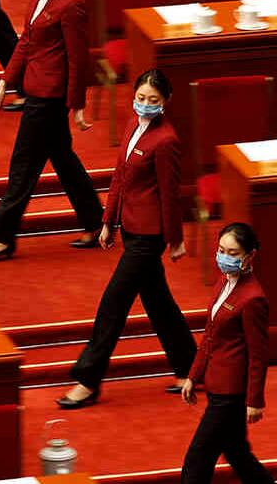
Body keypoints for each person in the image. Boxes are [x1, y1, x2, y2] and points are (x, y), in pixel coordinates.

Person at [57, 69, 196, 408]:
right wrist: (108, 221)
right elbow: (120, 175)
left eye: (153, 100)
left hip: (149, 235)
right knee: (158, 301)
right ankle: (191, 367)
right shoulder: (134, 124)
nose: (145, 104)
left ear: (165, 102)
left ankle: (88, 379)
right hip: (131, 227)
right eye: (141, 97)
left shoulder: (166, 140)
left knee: (113, 303)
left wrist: (175, 239)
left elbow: (169, 194)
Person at [0, 0, 103, 262]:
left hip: (49, 96)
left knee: (23, 166)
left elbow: (77, 59)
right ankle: (95, 221)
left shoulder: (73, 3)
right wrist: (5, 81)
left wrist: (77, 104)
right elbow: (27, 40)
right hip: (35, 87)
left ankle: (2, 236)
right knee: (63, 159)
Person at [180, 222, 274, 484]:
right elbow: (210, 334)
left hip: (230, 393)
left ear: (250, 255)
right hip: (215, 382)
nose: (224, 257)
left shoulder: (253, 298)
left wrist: (254, 400)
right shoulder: (224, 281)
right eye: (221, 250)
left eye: (232, 253)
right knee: (237, 454)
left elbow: (258, 354)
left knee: (197, 459)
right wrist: (193, 376)